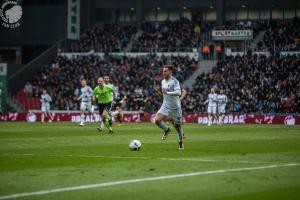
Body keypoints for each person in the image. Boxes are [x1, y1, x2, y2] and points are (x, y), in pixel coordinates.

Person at [154, 65, 185, 150]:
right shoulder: (163, 81)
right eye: (163, 71)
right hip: (165, 105)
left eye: (165, 71)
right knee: (157, 120)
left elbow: (178, 93)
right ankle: (167, 130)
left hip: (175, 108)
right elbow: (164, 94)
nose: (163, 73)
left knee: (177, 127)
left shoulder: (175, 81)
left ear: (170, 72)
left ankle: (181, 142)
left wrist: (168, 92)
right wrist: (160, 92)